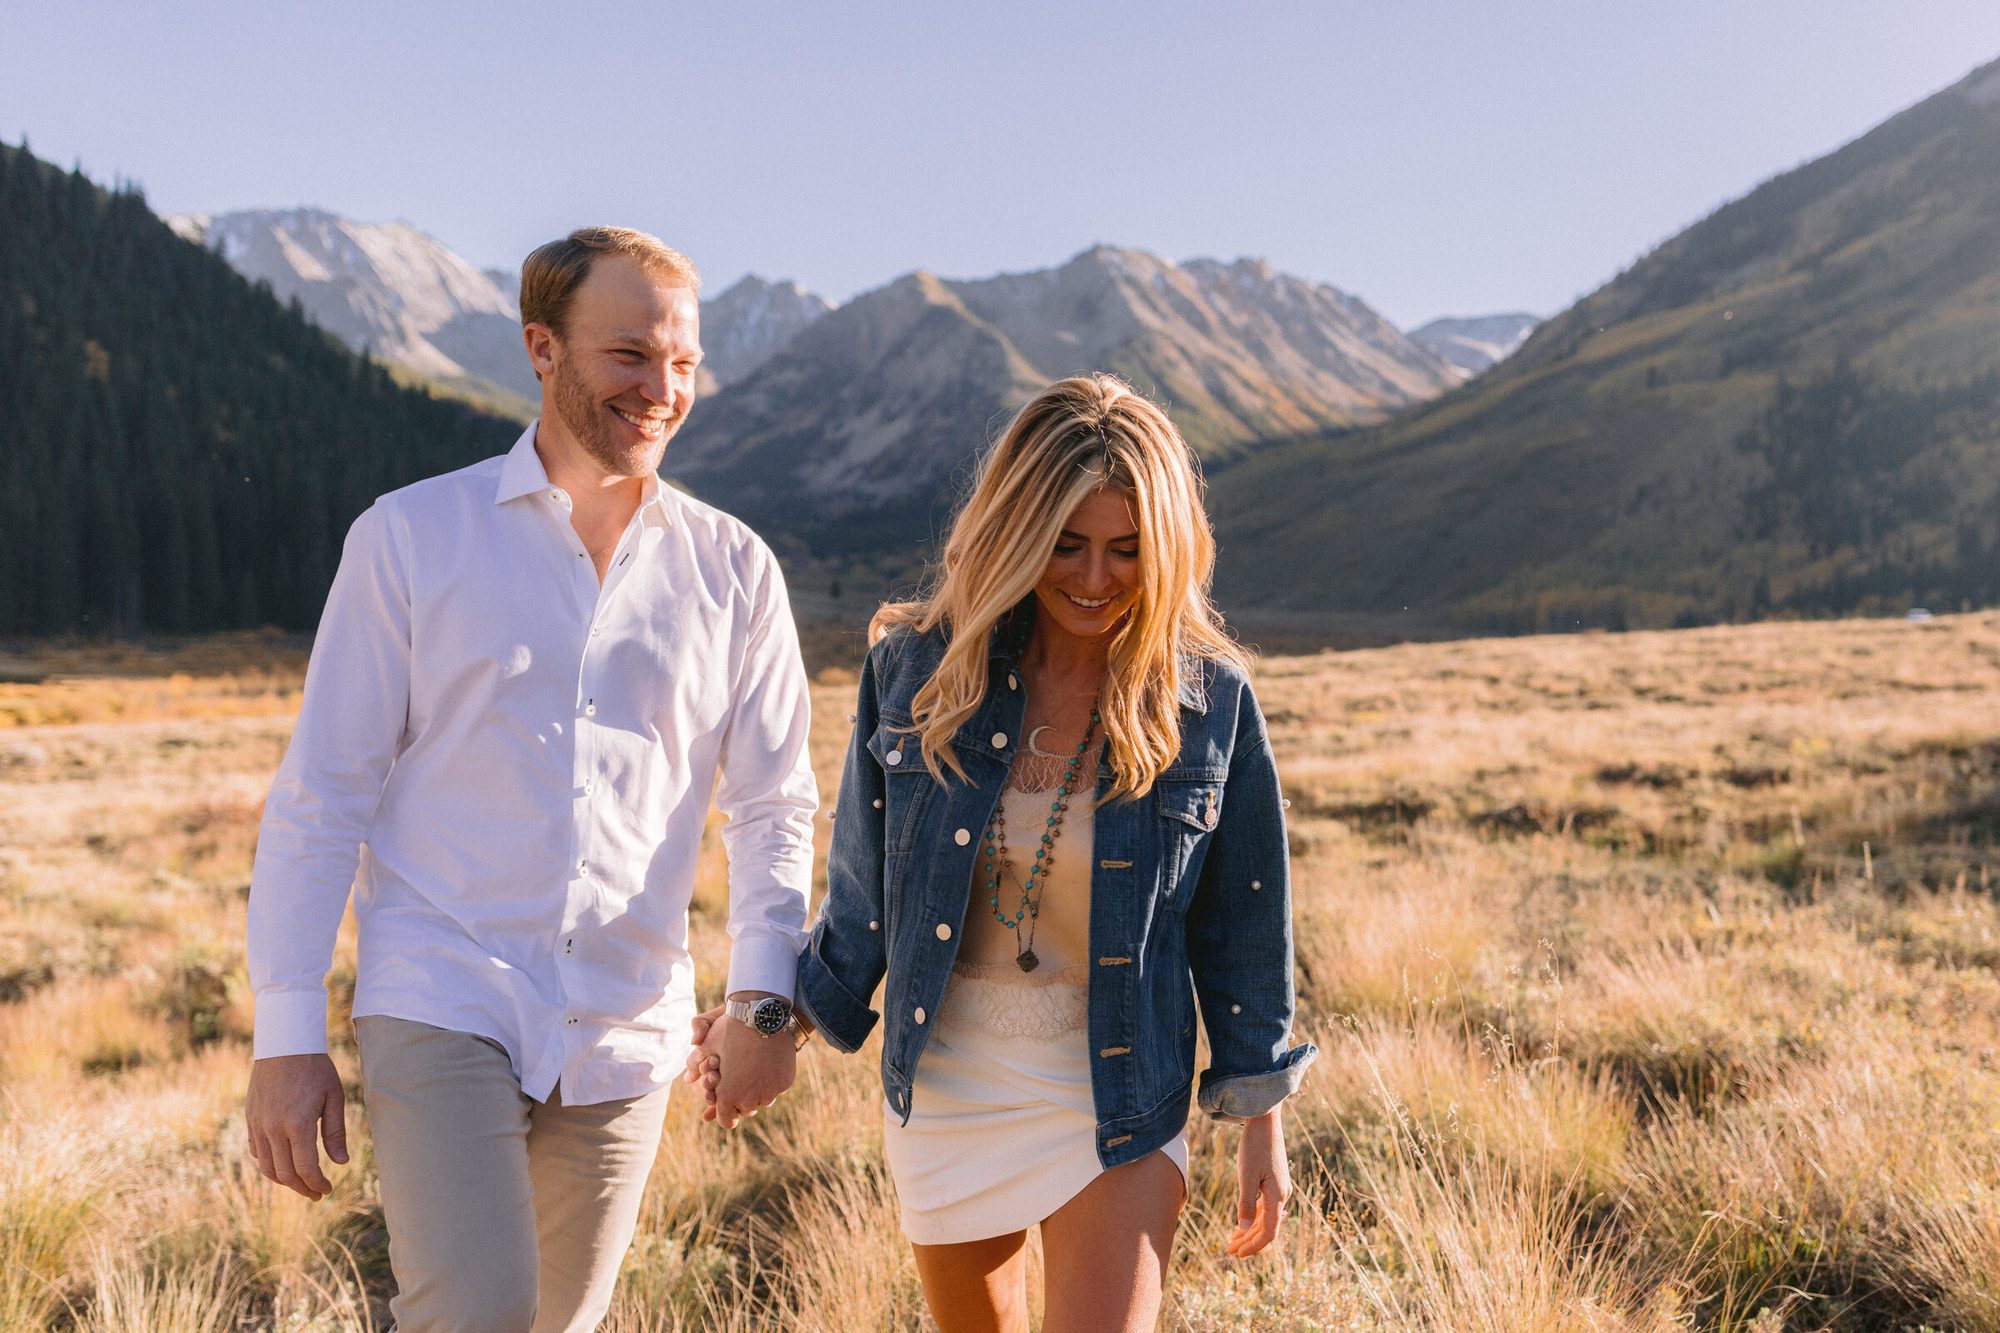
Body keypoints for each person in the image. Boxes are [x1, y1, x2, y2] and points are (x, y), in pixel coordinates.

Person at [244, 226, 818, 1333]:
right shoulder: (410, 537)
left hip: (626, 1020)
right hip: (442, 986)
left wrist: (761, 1001)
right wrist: (286, 1036)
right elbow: (323, 794)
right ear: (541, 348)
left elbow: (771, 804)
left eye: (684, 364)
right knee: (478, 1312)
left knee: (557, 1324)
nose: (662, 390)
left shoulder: (735, 569)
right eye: (630, 356)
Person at [692, 373, 1316, 1332]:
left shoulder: (1210, 703)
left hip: (1118, 1092)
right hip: (948, 1087)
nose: (1096, 578)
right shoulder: (919, 670)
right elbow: (863, 903)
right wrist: (769, 1018)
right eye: (1065, 544)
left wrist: (1260, 1120)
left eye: (1127, 549)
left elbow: (1243, 924)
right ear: (1014, 530)